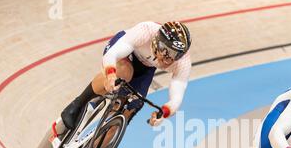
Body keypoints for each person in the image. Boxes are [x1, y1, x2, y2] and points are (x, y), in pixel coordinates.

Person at [52, 20, 192, 138]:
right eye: (166, 50)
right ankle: (77, 104)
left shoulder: (182, 63)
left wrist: (165, 113)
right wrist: (111, 73)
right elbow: (112, 54)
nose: (167, 58)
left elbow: (177, 96)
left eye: (174, 55)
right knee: (124, 72)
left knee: (129, 111)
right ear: (157, 40)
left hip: (146, 68)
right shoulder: (146, 30)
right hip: (125, 52)